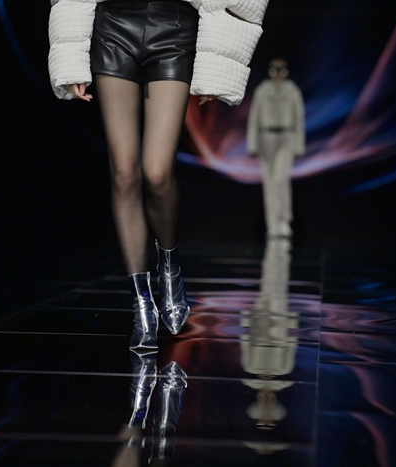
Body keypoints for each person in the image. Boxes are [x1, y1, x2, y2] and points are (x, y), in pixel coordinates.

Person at [48, 0, 267, 349]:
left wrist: (216, 65)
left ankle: (169, 268)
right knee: (124, 172)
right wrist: (70, 58)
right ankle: (142, 304)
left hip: (174, 26)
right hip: (112, 25)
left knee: (157, 171)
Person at [247, 58, 305, 239]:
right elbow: (254, 117)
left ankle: (284, 220)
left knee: (280, 179)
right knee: (269, 182)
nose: (278, 74)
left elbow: (299, 117)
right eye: (274, 71)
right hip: (266, 137)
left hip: (286, 137)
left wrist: (299, 145)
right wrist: (252, 143)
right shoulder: (262, 90)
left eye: (282, 71)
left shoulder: (292, 90)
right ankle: (272, 224)